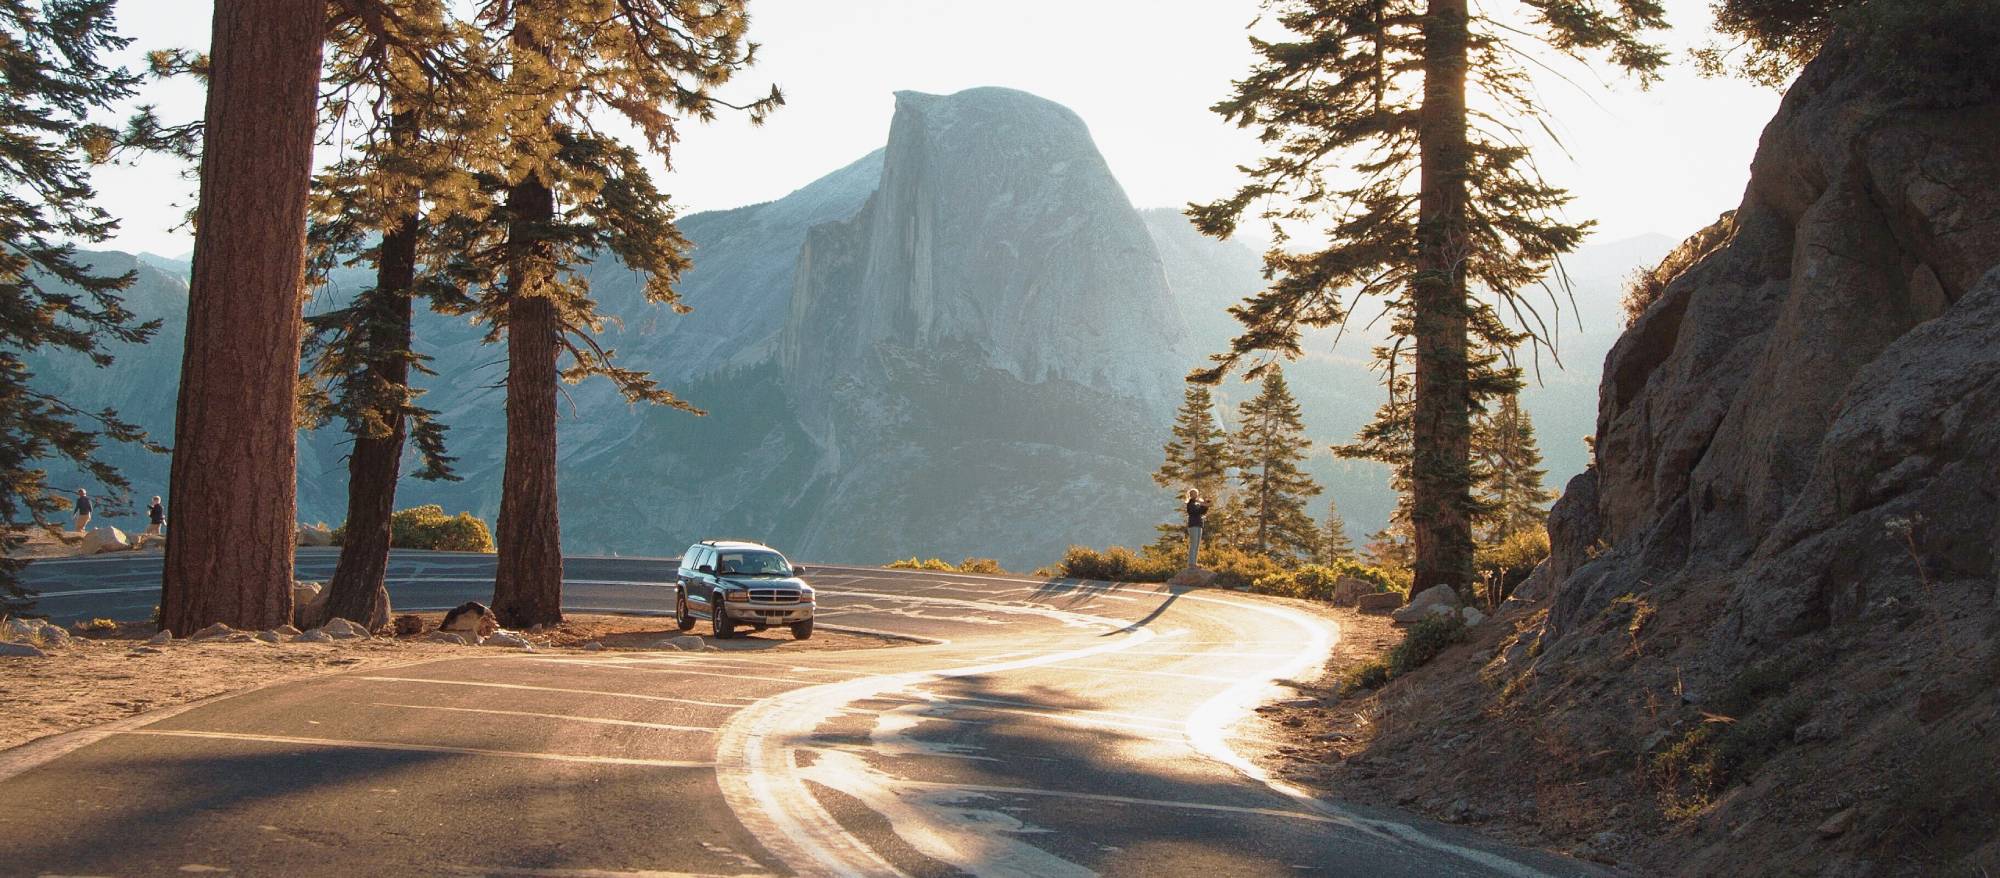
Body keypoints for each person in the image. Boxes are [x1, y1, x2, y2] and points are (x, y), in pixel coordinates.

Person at [1184, 488, 1209, 571]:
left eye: (1196, 493)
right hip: (1193, 525)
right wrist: (1202, 504)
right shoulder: (1190, 503)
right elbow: (1195, 512)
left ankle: (1194, 563)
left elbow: (1202, 512)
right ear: (1190, 495)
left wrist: (1206, 505)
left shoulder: (1197, 503)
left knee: (1197, 545)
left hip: (1199, 525)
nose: (1195, 495)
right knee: (1193, 544)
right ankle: (1191, 564)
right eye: (1193, 493)